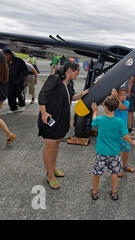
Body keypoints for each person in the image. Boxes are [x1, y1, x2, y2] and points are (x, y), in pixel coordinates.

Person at [38, 61, 89, 190]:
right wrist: (44, 113)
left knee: (56, 144)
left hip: (62, 119)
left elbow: (71, 97)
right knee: (49, 146)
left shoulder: (69, 82)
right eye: (77, 70)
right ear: (70, 70)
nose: (78, 73)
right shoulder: (54, 79)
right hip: (50, 118)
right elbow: (43, 95)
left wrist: (82, 95)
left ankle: (53, 168)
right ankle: (50, 176)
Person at [90, 97, 135, 200]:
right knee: (114, 173)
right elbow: (125, 136)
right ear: (116, 109)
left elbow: (93, 122)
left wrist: (94, 111)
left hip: (101, 152)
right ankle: (114, 192)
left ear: (105, 108)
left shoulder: (101, 119)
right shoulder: (120, 121)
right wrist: (132, 141)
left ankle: (94, 192)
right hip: (114, 153)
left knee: (97, 173)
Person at [111, 85, 135, 177]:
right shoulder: (112, 102)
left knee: (126, 149)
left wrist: (116, 97)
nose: (124, 97)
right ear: (116, 94)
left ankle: (124, 165)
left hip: (123, 131)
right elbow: (103, 103)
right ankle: (115, 169)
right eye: (121, 95)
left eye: (125, 95)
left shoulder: (127, 103)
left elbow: (122, 107)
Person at [3, 48, 28, 113]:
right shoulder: (6, 62)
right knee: (10, 94)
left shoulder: (19, 61)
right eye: (5, 55)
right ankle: (13, 108)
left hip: (19, 81)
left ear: (11, 54)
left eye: (7, 55)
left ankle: (22, 105)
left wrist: (25, 81)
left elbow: (25, 71)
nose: (6, 57)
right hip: (10, 82)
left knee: (19, 94)